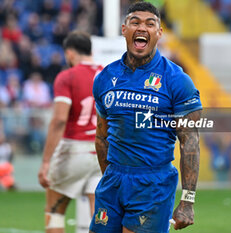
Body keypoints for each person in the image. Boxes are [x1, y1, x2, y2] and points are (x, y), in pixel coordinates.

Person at [89, 2, 202, 233]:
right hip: (114, 179)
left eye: (150, 24)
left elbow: (190, 142)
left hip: (153, 184)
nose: (142, 28)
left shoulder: (176, 80)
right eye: (135, 22)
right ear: (124, 29)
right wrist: (110, 178)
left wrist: (188, 200)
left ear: (159, 33)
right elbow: (102, 137)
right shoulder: (105, 78)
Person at [38, 31, 102, 233]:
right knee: (100, 216)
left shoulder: (67, 76)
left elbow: (59, 120)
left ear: (70, 53)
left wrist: (46, 161)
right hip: (102, 151)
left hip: (74, 149)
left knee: (55, 212)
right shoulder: (107, 74)